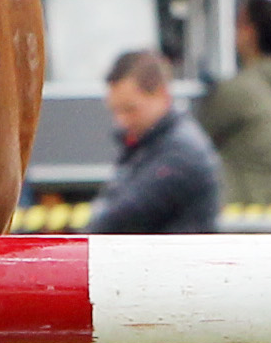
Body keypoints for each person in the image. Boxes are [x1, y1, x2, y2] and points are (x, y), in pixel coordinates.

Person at [195, 0, 271, 213]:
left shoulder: (240, 92)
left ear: (251, 32)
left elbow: (195, 139)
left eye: (239, 25)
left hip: (249, 223)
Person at [84, 50, 223, 234]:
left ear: (162, 94)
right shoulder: (153, 144)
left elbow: (123, 217)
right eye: (115, 111)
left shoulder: (182, 153)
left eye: (130, 109)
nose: (121, 121)